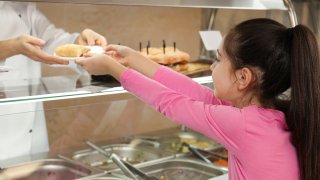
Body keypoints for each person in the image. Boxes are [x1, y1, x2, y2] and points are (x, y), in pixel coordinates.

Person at [76, 18, 320, 180]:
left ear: (243, 78)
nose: (212, 67)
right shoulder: (269, 115)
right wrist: (133, 58)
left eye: (218, 59)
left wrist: (113, 69)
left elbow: (171, 103)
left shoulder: (242, 124)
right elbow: (191, 91)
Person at [0, 1, 106, 164]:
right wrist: (11, 46)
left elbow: (50, 41)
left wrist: (79, 42)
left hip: (33, 140)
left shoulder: (26, 8)